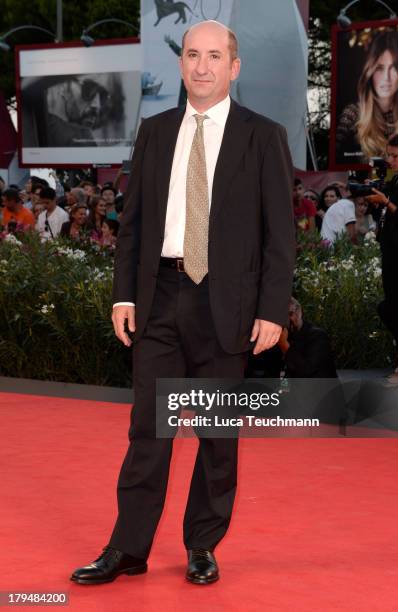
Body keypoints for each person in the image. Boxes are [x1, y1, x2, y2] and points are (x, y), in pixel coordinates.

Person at [70, 20, 295, 587]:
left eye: (214, 56)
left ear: (233, 67)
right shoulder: (155, 130)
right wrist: (123, 294)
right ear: (181, 63)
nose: (202, 66)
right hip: (160, 298)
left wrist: (271, 309)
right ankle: (128, 547)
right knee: (149, 429)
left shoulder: (262, 136)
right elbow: (134, 224)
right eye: (192, 54)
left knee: (217, 435)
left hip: (228, 303)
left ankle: (203, 546)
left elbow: (279, 238)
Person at [366, 132, 398, 384]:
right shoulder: (396, 182)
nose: (389, 160)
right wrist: (377, 203)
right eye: (388, 155)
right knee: (391, 308)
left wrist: (388, 204)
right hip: (392, 255)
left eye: (395, 155)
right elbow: (386, 219)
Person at [336, 30, 398, 164]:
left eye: (393, 68)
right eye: (379, 68)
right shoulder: (352, 115)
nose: (386, 78)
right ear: (370, 71)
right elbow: (336, 160)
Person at [277, 297, 337, 378]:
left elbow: (306, 370)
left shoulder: (318, 336)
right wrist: (283, 389)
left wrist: (284, 345)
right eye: (282, 317)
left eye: (290, 314)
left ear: (299, 312)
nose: (287, 320)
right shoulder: (287, 336)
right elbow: (287, 372)